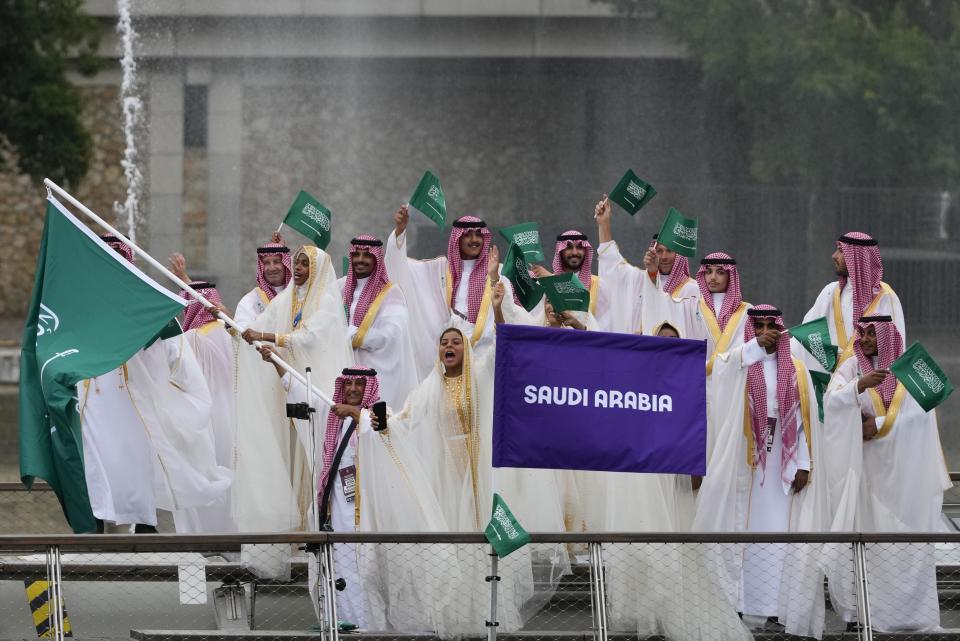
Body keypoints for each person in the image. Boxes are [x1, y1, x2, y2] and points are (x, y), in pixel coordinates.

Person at [79, 236, 231, 534]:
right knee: (96, 463)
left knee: (137, 459)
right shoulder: (86, 307)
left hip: (133, 399)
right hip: (96, 399)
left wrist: (184, 392)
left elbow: (176, 354)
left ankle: (145, 524)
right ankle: (94, 523)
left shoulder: (148, 309)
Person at [694, 305, 830, 637]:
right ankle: (744, 602)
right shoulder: (740, 362)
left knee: (780, 537)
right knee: (745, 532)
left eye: (772, 325)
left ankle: (776, 606)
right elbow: (719, 371)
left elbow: (802, 422)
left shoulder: (796, 370)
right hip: (747, 464)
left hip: (783, 465)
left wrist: (803, 464)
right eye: (759, 325)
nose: (766, 331)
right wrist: (753, 347)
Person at [822, 315, 949, 633]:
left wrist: (876, 425)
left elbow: (921, 420)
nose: (863, 339)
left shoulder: (911, 368)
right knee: (867, 545)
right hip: (867, 477)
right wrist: (858, 387)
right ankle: (863, 615)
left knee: (907, 548)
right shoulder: (852, 366)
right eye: (860, 333)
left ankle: (911, 618)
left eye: (870, 333)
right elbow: (832, 402)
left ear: (886, 335)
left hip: (905, 480)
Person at [233, 245, 352, 558]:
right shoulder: (289, 297)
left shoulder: (326, 300)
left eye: (303, 264)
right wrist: (246, 333)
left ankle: (319, 527)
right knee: (290, 456)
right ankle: (294, 534)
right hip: (287, 384)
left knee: (314, 454)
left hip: (316, 388)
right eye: (296, 262)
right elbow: (265, 320)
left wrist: (268, 337)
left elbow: (310, 336)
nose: (298, 268)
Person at [385, 205, 513, 378]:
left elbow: (508, 313)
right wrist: (400, 233)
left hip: (484, 362)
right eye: (467, 234)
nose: (474, 240)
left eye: (478, 235)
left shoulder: (498, 272)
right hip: (445, 359)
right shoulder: (438, 269)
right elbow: (399, 268)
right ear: (457, 239)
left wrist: (495, 277)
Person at [168, 253, 238, 533]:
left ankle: (203, 535)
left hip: (202, 417)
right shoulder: (228, 332)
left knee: (203, 473)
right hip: (231, 414)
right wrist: (187, 280)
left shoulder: (192, 339)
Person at [594, 195, 698, 334]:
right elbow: (613, 265)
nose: (664, 256)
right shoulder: (639, 280)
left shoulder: (692, 290)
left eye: (670, 251)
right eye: (659, 251)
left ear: (679, 255)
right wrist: (604, 223)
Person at [338, 235, 418, 409]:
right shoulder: (341, 288)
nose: (360, 260)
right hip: (344, 372)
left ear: (376, 259)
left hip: (376, 375)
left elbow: (390, 335)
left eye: (367, 255)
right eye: (356, 255)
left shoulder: (391, 293)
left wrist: (349, 335)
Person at [803, 232, 905, 354]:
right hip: (833, 372)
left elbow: (894, 347)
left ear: (858, 257)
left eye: (841, 251)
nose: (834, 256)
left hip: (869, 372)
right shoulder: (830, 292)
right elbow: (806, 334)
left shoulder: (885, 296)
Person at [523, 230, 610, 330]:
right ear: (560, 251)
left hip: (586, 343)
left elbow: (605, 327)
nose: (575, 252)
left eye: (579, 247)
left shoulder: (599, 285)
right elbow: (536, 321)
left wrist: (553, 281)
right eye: (569, 247)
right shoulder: (545, 281)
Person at [234, 234, 292, 328]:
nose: (272, 268)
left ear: (285, 264)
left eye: (277, 262)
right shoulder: (250, 301)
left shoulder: (298, 294)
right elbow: (242, 334)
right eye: (266, 263)